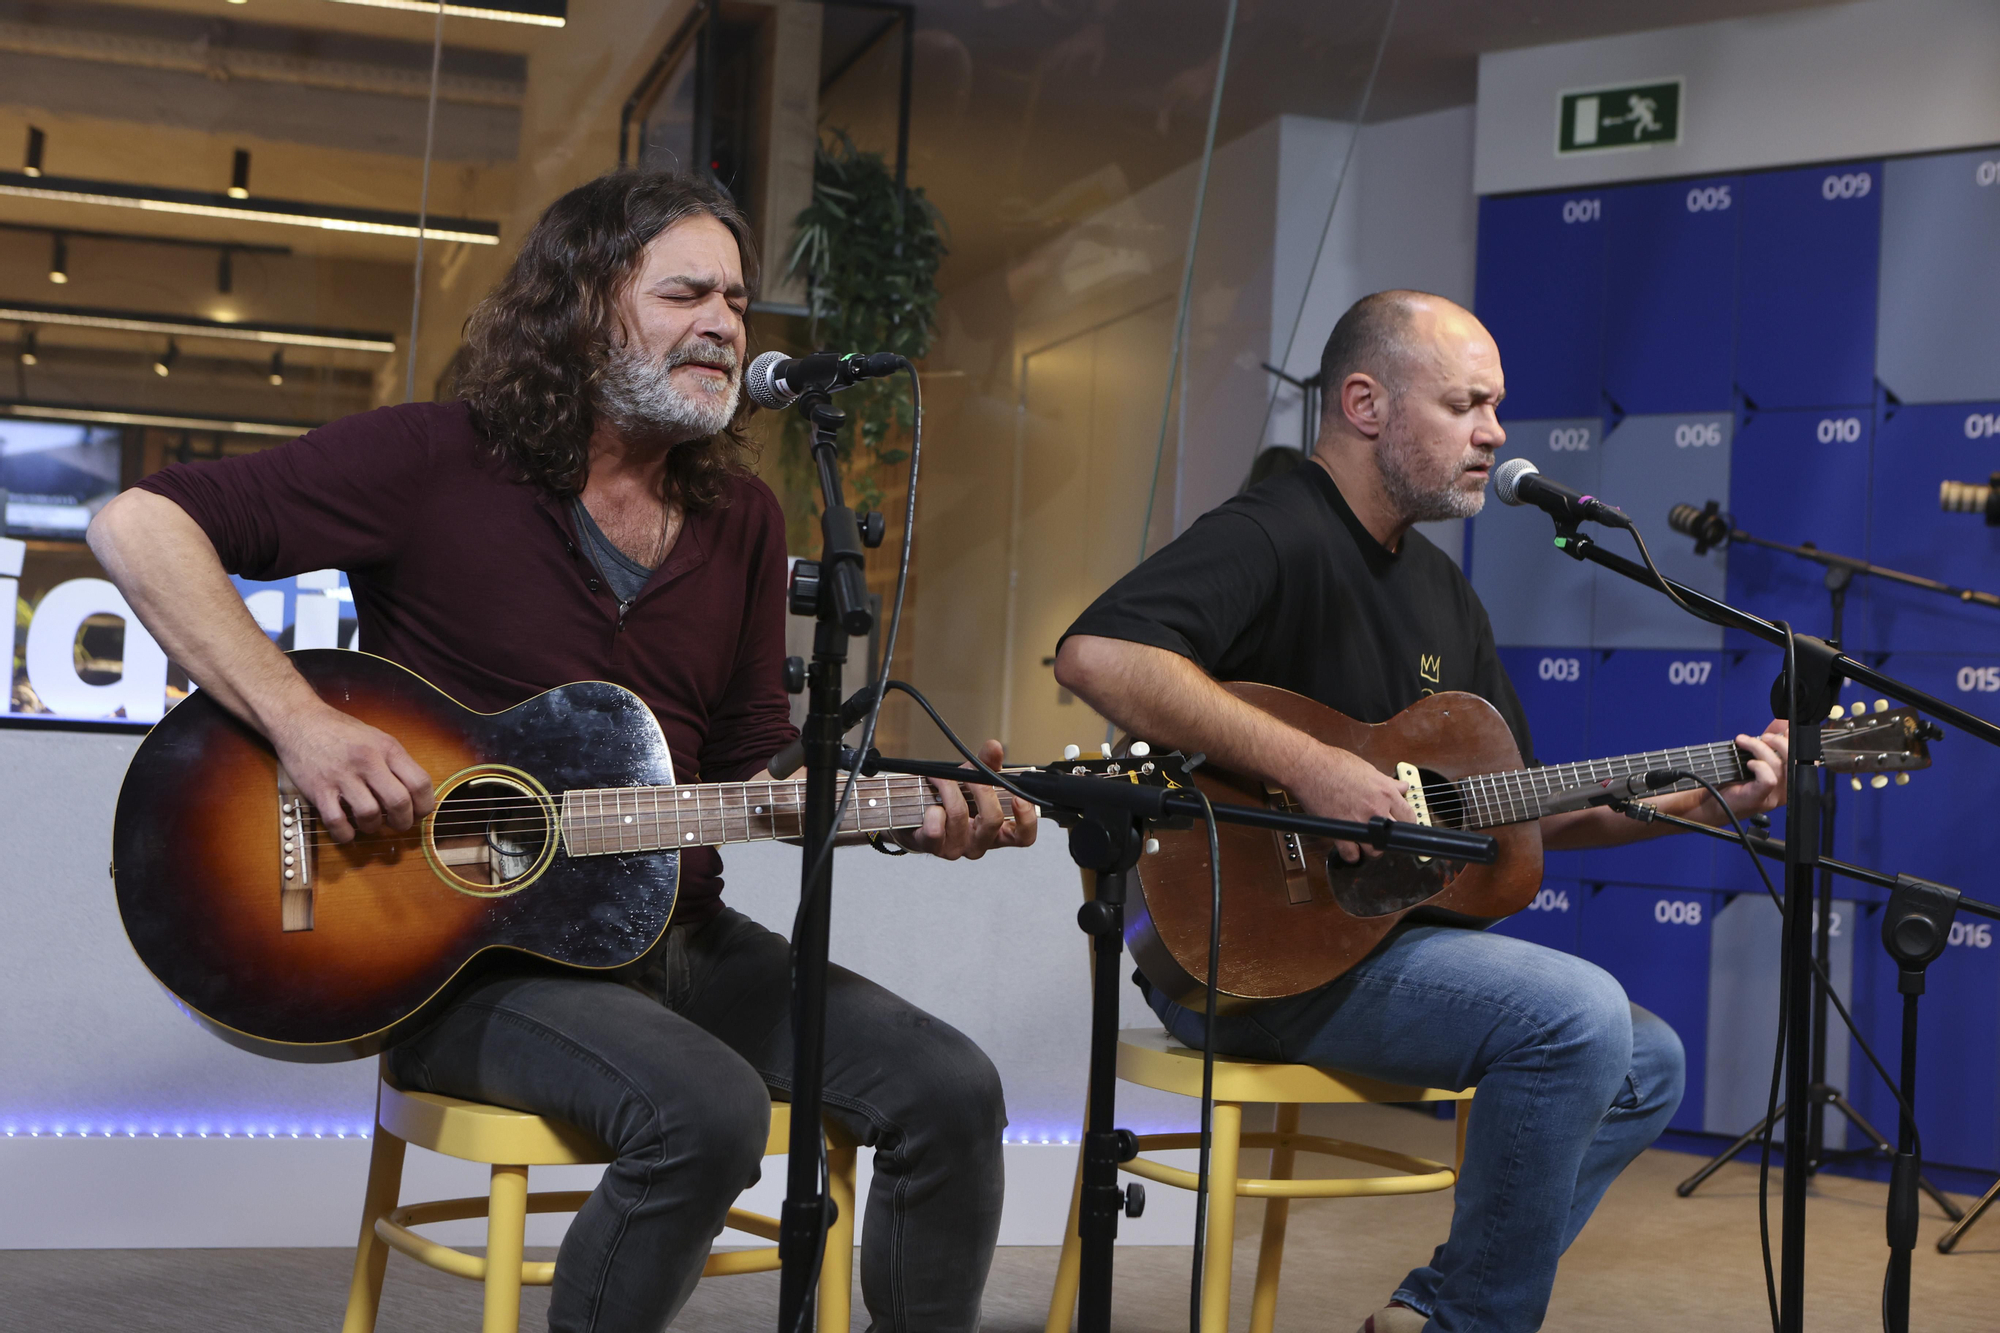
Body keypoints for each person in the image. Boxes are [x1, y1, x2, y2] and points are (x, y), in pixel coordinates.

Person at [88, 171, 1035, 1333]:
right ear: (587, 307)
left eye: (737, 301)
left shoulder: (742, 516)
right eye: (686, 290)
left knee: (951, 1089)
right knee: (707, 1111)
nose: (725, 325)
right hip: (468, 962)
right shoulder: (435, 459)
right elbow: (138, 525)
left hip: (678, 933)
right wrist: (306, 724)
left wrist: (893, 810)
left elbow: (748, 762)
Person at [1053, 289, 1790, 1333]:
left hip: (1364, 950)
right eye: (1465, 403)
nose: (1494, 432)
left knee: (1646, 1059)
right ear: (1364, 403)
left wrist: (1707, 804)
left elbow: (1528, 815)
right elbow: (1097, 654)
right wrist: (1312, 768)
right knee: (1573, 1014)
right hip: (1237, 953)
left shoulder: (1444, 593)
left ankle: (1434, 1309)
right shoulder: (1273, 531)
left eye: (1494, 407)